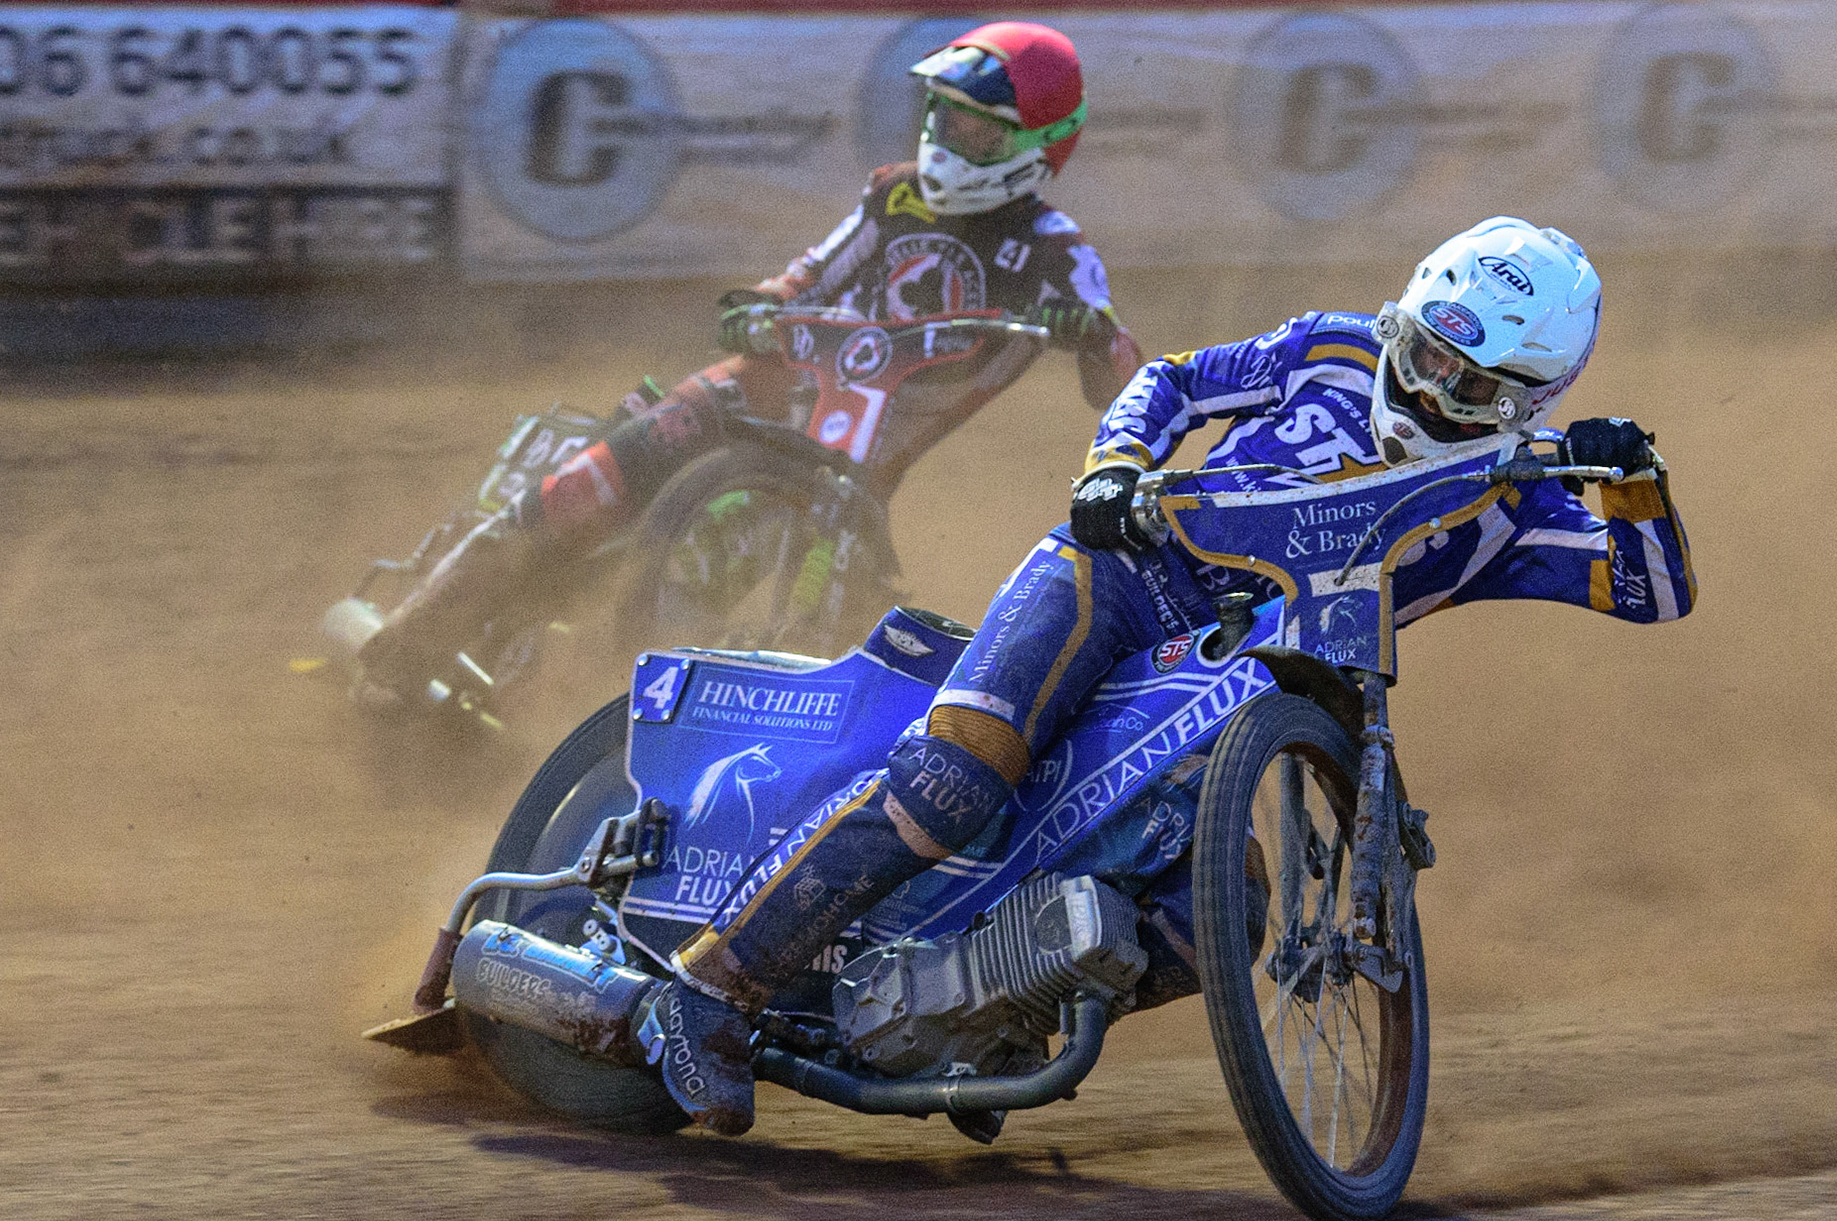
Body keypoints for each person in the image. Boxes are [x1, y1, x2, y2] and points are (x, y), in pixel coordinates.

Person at [647, 215, 1697, 1135]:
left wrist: (1633, 478)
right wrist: (1115, 463)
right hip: (1118, 577)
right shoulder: (1329, 347)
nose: (1427, 388)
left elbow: (1651, 587)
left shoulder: (1514, 499)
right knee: (957, 780)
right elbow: (1177, 380)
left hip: (1247, 681)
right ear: (1403, 317)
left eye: (1469, 387)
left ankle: (988, 1010)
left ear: (1532, 402)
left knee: (1223, 916)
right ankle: (707, 987)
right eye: (1422, 354)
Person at [355, 21, 1143, 704]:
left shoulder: (1056, 253)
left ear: (1039, 146)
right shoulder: (894, 197)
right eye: (945, 116)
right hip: (748, 393)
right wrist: (760, 303)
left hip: (844, 473)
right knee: (577, 490)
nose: (951, 139)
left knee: (692, 589)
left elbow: (1126, 378)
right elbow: (809, 272)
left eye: (980, 131)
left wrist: (1090, 333)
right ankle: (404, 638)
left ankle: (579, 718)